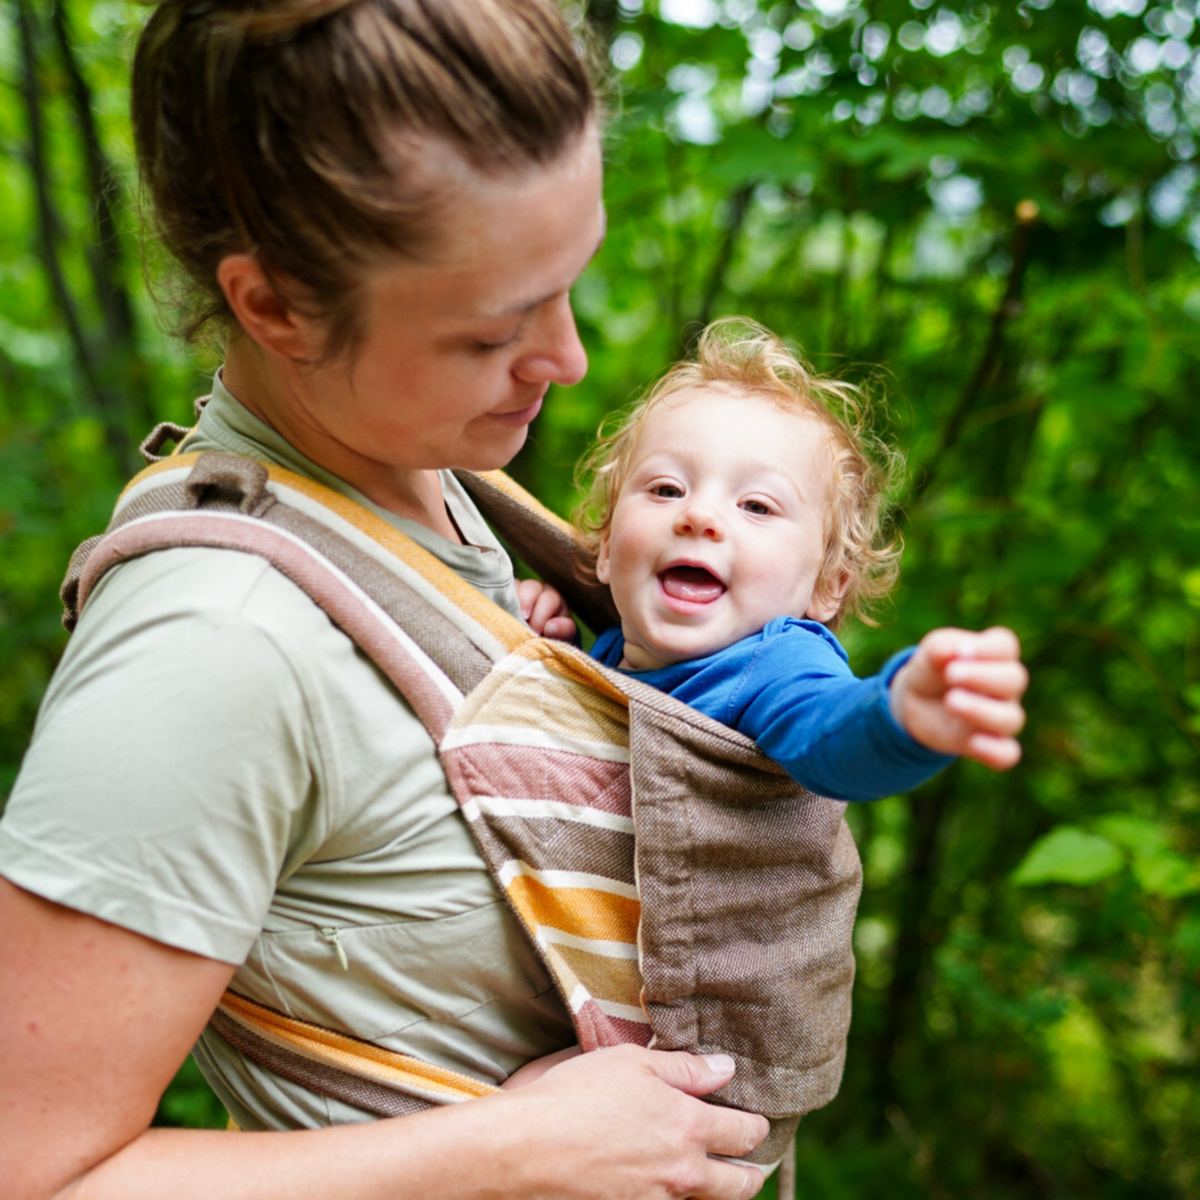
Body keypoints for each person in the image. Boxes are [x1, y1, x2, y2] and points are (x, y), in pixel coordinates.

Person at [0, 4, 771, 1199]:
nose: (565, 357)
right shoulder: (210, 646)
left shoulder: (434, 477)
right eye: (491, 330)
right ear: (275, 307)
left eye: (570, 282)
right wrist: (512, 1153)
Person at [570, 318, 1029, 799]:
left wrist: (899, 717)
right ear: (605, 548)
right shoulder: (606, 651)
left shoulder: (772, 663)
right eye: (667, 489)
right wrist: (540, 625)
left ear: (826, 585)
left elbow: (829, 728)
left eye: (756, 506)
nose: (699, 514)